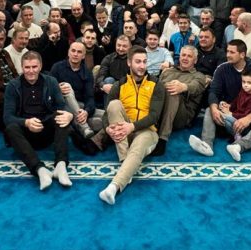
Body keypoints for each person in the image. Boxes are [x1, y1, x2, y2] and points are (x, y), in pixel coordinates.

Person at [95, 47, 164, 205]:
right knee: (114, 104)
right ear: (129, 62)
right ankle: (126, 163)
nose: (142, 66)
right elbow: (107, 114)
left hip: (147, 132)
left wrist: (131, 127)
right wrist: (107, 129)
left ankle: (113, 188)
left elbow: (154, 116)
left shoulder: (156, 84)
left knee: (138, 146)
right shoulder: (119, 85)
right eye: (138, 62)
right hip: (124, 131)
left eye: (145, 62)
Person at [189, 40, 251, 161]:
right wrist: (215, 108)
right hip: (228, 117)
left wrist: (249, 118)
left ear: (242, 54)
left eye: (232, 52)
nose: (228, 55)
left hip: (249, 121)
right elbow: (213, 92)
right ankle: (206, 145)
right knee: (209, 110)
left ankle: (239, 146)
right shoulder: (222, 69)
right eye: (227, 51)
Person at [4, 51, 74, 190]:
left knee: (61, 116)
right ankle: (40, 170)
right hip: (26, 135)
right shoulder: (12, 86)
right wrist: (26, 123)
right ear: (22, 67)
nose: (31, 71)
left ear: (40, 66)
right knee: (11, 128)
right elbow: (7, 117)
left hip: (47, 130)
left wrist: (69, 115)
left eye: (34, 67)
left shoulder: (51, 81)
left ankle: (60, 165)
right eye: (27, 67)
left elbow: (61, 107)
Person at [154, 44, 209, 156]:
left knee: (174, 91)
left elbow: (195, 87)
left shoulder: (199, 76)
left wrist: (184, 87)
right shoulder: (167, 72)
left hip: (181, 117)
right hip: (161, 109)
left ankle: (162, 140)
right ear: (179, 57)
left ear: (195, 60)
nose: (185, 58)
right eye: (183, 55)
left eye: (189, 56)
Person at [51, 40, 100, 139]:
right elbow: (47, 89)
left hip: (80, 106)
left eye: (79, 52)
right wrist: (57, 88)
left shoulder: (87, 73)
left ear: (83, 56)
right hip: (61, 105)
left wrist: (86, 112)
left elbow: (90, 97)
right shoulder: (57, 67)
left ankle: (80, 123)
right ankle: (84, 127)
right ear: (68, 52)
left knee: (105, 115)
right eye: (73, 51)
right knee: (66, 86)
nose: (75, 54)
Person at [221, 69, 251, 148]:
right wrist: (229, 106)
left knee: (224, 117)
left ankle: (238, 137)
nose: (245, 85)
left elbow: (246, 115)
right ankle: (236, 135)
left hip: (244, 124)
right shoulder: (243, 91)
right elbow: (236, 101)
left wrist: (231, 114)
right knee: (223, 118)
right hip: (236, 119)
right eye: (244, 82)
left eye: (249, 83)